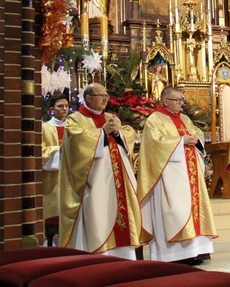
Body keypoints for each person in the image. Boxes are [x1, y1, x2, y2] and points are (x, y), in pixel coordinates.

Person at [58, 83, 150, 258]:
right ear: (89, 98)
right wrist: (102, 133)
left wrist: (117, 133)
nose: (105, 99)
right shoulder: (76, 119)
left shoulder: (111, 117)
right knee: (99, 215)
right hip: (94, 181)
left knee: (122, 213)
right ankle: (100, 255)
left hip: (118, 179)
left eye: (106, 95)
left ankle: (125, 255)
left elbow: (127, 135)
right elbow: (78, 143)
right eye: (101, 96)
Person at [137, 87, 217, 264]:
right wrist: (181, 141)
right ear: (165, 101)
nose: (182, 103)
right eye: (178, 100)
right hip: (169, 178)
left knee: (192, 210)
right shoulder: (155, 120)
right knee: (175, 212)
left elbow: (196, 134)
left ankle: (194, 251)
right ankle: (174, 255)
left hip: (189, 174)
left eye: (182, 100)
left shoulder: (185, 118)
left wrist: (196, 138)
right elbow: (155, 145)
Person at [41, 94, 69, 245]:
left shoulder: (73, 128)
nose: (64, 109)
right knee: (54, 211)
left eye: (66, 106)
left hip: (72, 177)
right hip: (53, 180)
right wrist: (60, 151)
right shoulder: (45, 128)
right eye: (60, 106)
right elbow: (41, 151)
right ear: (52, 109)